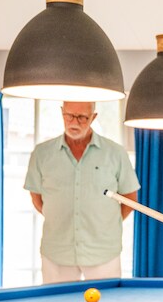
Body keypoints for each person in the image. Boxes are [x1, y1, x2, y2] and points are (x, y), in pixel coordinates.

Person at [24, 101, 139, 284]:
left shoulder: (115, 153)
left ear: (93, 117)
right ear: (62, 112)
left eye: (82, 117)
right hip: (57, 250)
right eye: (69, 115)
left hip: (103, 250)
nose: (74, 122)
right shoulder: (42, 153)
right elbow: (36, 196)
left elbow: (130, 198)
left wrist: (105, 223)